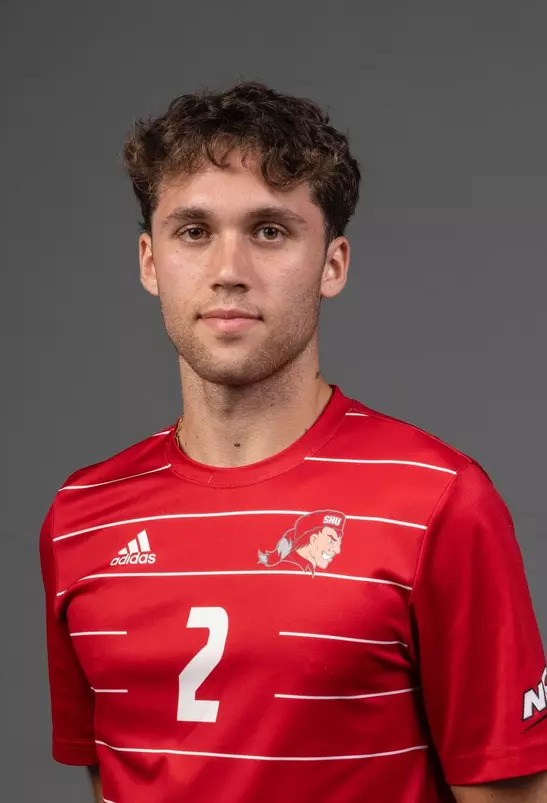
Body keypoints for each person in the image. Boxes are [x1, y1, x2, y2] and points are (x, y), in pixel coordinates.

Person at [39, 81, 547, 803]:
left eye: (269, 231)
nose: (228, 271)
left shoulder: (435, 502)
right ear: (150, 261)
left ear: (331, 264)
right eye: (193, 231)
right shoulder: (81, 516)